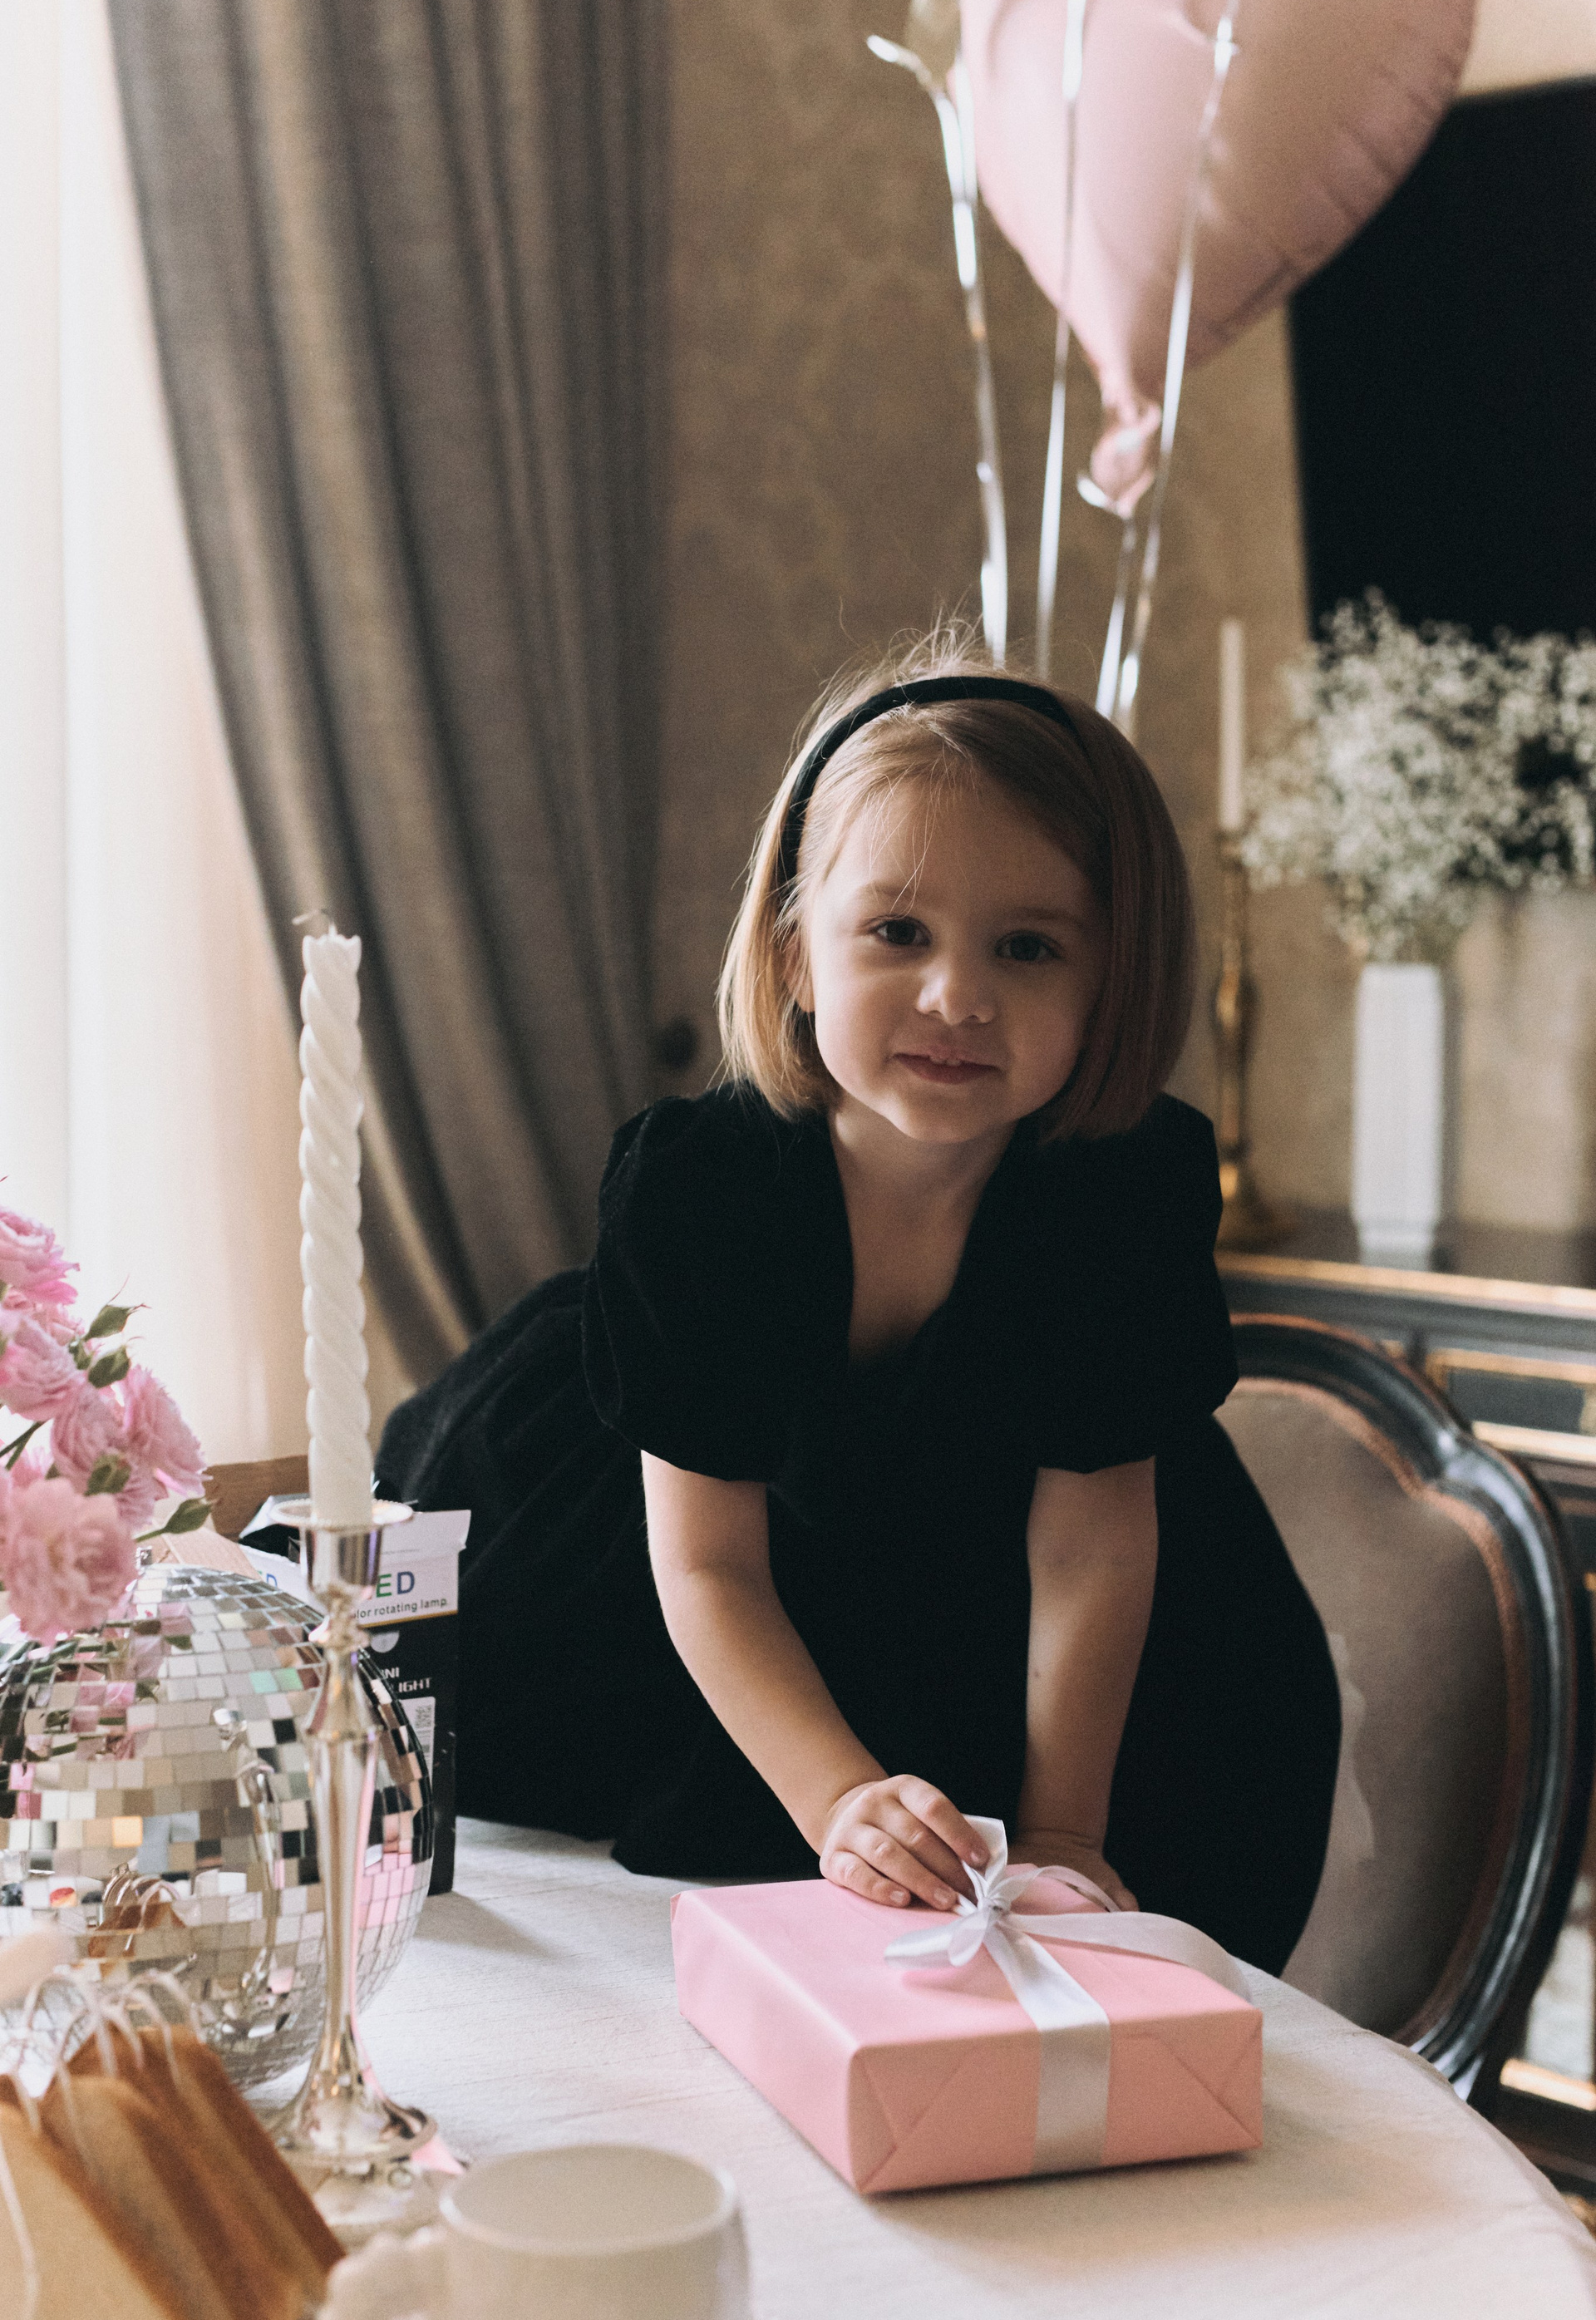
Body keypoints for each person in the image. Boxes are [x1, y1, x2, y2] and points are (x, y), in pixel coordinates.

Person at [377, 638, 1340, 1974]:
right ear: (794, 957)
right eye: (898, 933)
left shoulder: (1119, 1190)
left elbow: (1090, 1548)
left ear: (1110, 982)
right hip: (656, 1549)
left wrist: (1062, 1829)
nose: (959, 997)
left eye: (1029, 947)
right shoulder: (703, 1189)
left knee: (1168, 1829)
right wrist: (839, 1800)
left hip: (996, 1579)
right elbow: (707, 1566)